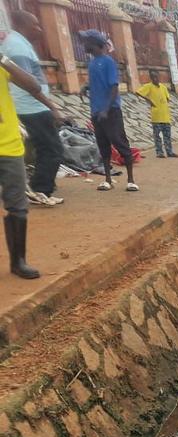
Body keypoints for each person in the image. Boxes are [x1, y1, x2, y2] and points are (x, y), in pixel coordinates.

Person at [0, 52, 64, 278]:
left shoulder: (4, 66)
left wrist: (4, 60)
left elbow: (33, 85)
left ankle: (19, 262)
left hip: (9, 147)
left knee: (17, 206)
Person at [2, 10, 65, 206]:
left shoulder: (17, 43)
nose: (39, 29)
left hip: (30, 106)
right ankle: (40, 190)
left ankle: (38, 187)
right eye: (35, 25)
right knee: (52, 149)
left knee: (43, 149)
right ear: (22, 25)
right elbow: (30, 85)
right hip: (31, 107)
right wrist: (52, 107)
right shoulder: (17, 46)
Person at [79, 30, 137, 192]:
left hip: (110, 111)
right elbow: (95, 83)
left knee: (119, 142)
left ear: (96, 44)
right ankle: (108, 180)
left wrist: (106, 108)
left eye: (87, 42)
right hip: (96, 111)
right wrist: (85, 87)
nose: (84, 45)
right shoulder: (92, 63)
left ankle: (131, 180)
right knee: (103, 145)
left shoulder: (108, 62)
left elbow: (114, 87)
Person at [135, 69, 178, 159]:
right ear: (151, 78)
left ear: (159, 77)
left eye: (156, 76)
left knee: (167, 136)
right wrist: (149, 100)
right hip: (156, 117)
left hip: (165, 116)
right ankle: (159, 152)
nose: (155, 79)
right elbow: (138, 92)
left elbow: (167, 99)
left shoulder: (163, 87)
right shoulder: (149, 86)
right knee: (157, 136)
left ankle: (169, 151)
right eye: (153, 77)